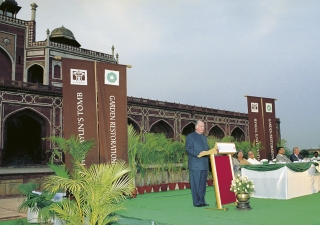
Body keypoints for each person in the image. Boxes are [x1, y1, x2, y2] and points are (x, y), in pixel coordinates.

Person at [186, 120, 209, 207]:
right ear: (196, 127)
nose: (203, 128)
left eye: (203, 126)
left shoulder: (204, 138)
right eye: (201, 126)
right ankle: (197, 202)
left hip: (204, 164)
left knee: (202, 184)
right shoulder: (190, 137)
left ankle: (202, 201)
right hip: (195, 164)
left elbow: (208, 149)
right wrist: (198, 154)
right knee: (196, 184)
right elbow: (189, 149)